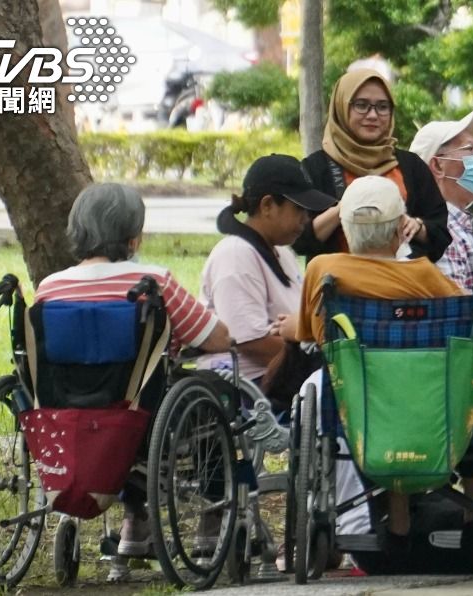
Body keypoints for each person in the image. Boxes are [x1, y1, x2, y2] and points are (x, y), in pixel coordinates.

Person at [34, 183, 231, 571]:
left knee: (129, 411)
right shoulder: (152, 281)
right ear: (133, 237)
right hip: (141, 414)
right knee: (216, 393)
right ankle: (210, 513)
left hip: (68, 413)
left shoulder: (49, 288)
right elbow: (216, 337)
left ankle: (135, 519)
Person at [294, 175, 464, 561]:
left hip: (350, 400)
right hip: (422, 397)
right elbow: (463, 314)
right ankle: (402, 519)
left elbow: (308, 333)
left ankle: (351, 520)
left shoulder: (323, 269)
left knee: (314, 388)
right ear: (398, 232)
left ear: (347, 232)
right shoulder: (424, 274)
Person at [197, 154, 335, 410]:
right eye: (299, 209)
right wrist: (314, 354)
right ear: (268, 205)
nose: (306, 218)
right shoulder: (236, 255)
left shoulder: (281, 252)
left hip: (288, 373)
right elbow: (250, 341)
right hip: (250, 384)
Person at [295, 69, 451, 263]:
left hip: (403, 286)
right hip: (339, 287)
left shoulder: (411, 166)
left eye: (382, 106)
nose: (373, 115)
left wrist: (417, 227)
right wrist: (345, 207)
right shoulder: (316, 168)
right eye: (361, 105)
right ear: (341, 107)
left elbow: (441, 234)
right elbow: (299, 240)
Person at [409, 109, 473, 291]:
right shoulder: (440, 232)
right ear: (437, 165)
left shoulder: (464, 228)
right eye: (470, 149)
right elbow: (453, 308)